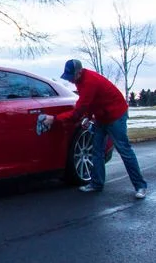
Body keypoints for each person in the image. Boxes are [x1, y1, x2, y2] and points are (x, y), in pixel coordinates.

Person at [42, 59, 148, 199]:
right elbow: (90, 103)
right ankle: (96, 183)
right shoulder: (80, 81)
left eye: (71, 76)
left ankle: (140, 186)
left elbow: (78, 111)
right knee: (96, 150)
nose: (70, 80)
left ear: (79, 72)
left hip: (116, 116)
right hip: (101, 117)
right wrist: (88, 117)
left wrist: (54, 119)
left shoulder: (89, 82)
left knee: (125, 150)